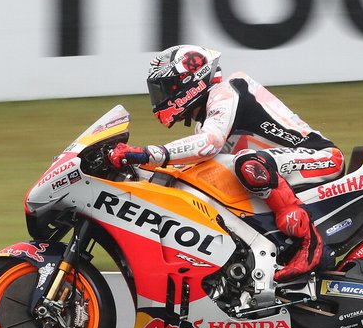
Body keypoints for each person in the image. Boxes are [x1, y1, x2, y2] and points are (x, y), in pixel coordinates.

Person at [108, 44, 344, 281]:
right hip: (282, 167)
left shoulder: (226, 91)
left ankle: (311, 244)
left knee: (248, 163)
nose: (162, 97)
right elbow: (194, 160)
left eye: (168, 87)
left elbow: (208, 144)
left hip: (321, 157)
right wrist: (139, 170)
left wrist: (147, 153)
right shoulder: (208, 117)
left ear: (191, 80)